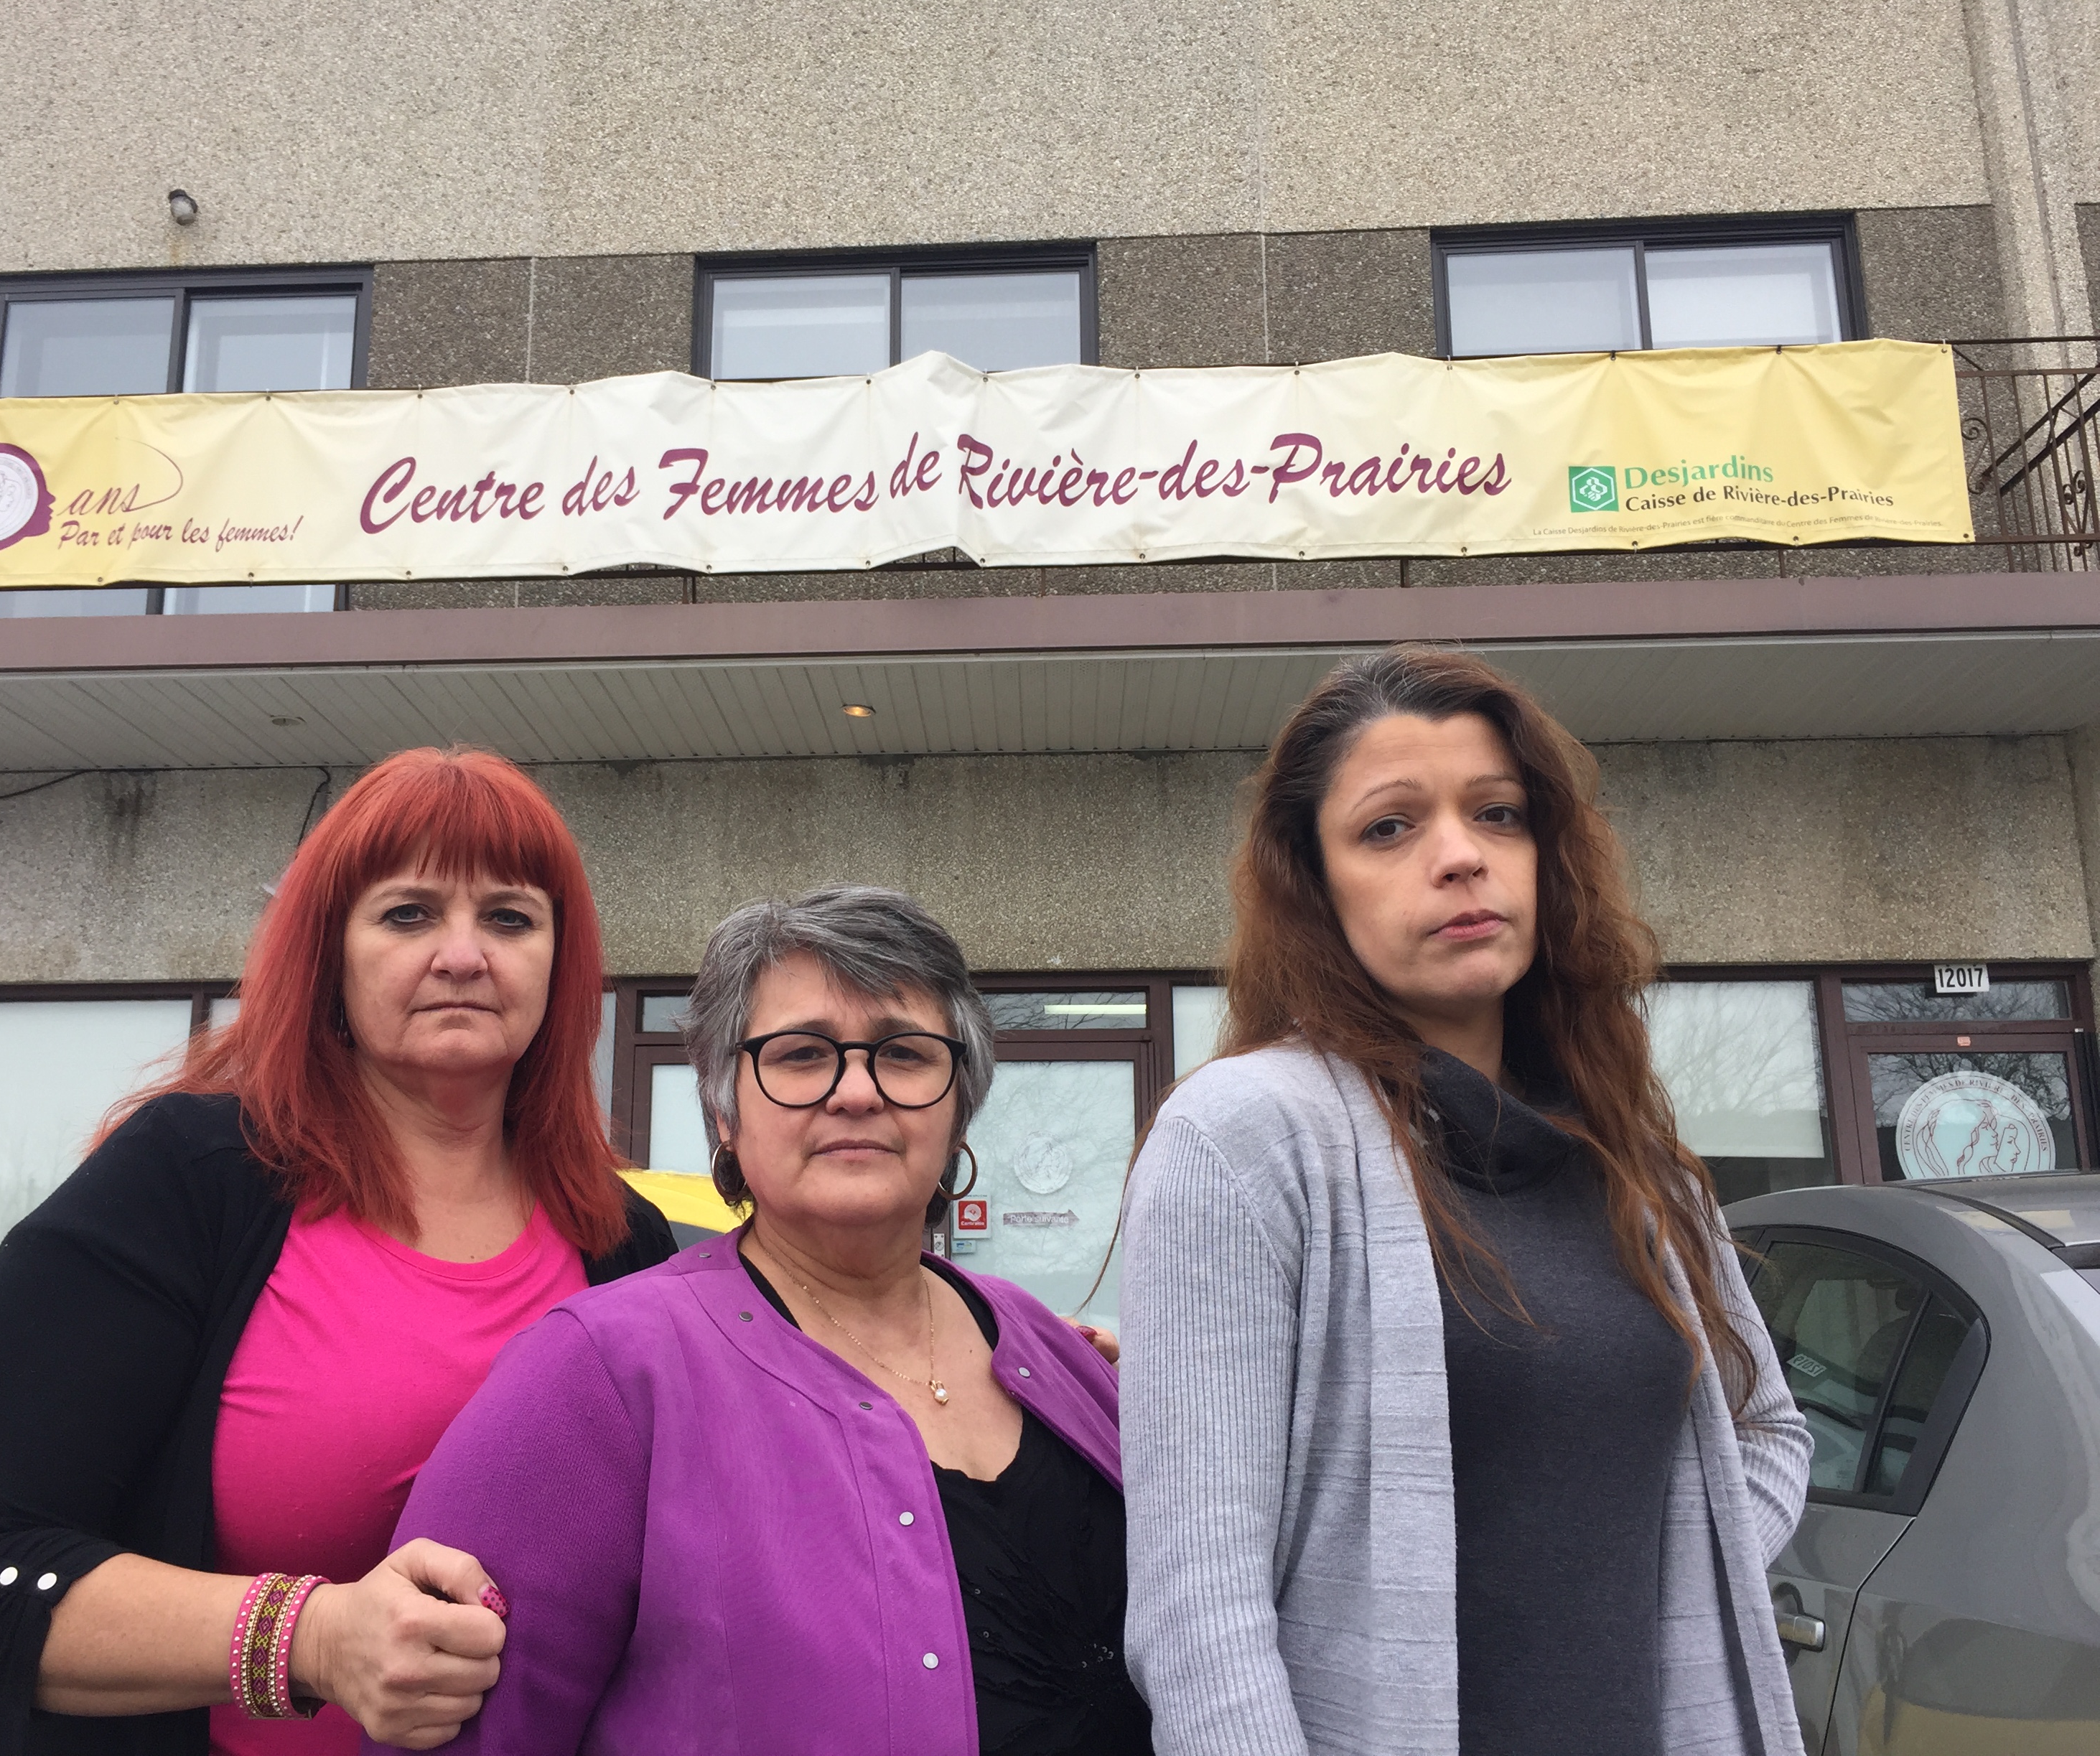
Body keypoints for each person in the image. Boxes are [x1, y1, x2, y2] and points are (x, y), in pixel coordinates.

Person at [0, 747, 677, 1756]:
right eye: (407, 914)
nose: (462, 954)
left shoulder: (623, 1243)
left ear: (559, 965)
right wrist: (308, 1638)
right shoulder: (184, 1181)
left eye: (509, 917)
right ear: (329, 958)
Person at [1120, 648, 1813, 1756]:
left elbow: (1767, 1434)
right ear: (1314, 882)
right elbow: (1197, 1609)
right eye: (1389, 827)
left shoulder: (1637, 1158)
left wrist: (1655, 1564)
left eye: (1498, 814)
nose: (1458, 858)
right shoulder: (1243, 1140)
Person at [381, 885, 1152, 1756]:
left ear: (957, 1103)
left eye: (903, 1053)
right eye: (799, 1054)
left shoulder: (1059, 1356)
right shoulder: (597, 1376)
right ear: (723, 1109)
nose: (856, 1092)